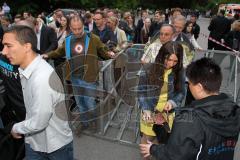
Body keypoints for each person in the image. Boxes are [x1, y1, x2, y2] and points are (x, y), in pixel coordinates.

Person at [139, 58, 240, 160]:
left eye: (190, 83)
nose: (189, 86)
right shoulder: (234, 110)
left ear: (199, 87)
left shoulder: (188, 119)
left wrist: (153, 149)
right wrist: (162, 125)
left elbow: (175, 155)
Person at [2, 25, 73, 159]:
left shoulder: (41, 78)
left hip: (55, 146)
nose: (3, 52)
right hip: (33, 142)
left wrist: (15, 128)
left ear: (27, 46)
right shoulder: (26, 70)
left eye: (8, 46)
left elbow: (39, 122)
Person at [42, 15, 115, 131]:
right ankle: (85, 123)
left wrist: (110, 53)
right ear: (70, 27)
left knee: (90, 104)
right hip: (74, 78)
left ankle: (94, 123)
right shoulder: (68, 40)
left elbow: (103, 50)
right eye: (74, 29)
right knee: (80, 103)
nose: (77, 32)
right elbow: (58, 52)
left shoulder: (93, 38)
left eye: (79, 28)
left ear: (83, 26)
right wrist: (47, 55)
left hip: (89, 78)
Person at [138, 41, 185, 150]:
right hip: (149, 111)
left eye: (175, 61)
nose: (171, 64)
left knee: (162, 141)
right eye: (168, 59)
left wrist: (172, 102)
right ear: (161, 56)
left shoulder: (180, 71)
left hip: (167, 114)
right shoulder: (148, 68)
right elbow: (141, 92)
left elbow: (181, 92)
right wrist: (146, 109)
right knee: (147, 141)